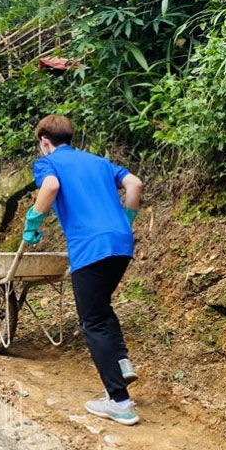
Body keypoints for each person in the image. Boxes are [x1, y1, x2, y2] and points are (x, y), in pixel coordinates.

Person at [23, 114, 143, 426]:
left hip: (89, 248)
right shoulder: (99, 162)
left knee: (92, 323)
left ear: (45, 142)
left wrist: (33, 221)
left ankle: (120, 402)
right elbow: (134, 184)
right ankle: (122, 363)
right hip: (121, 244)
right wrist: (126, 220)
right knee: (102, 309)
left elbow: (50, 186)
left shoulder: (49, 163)